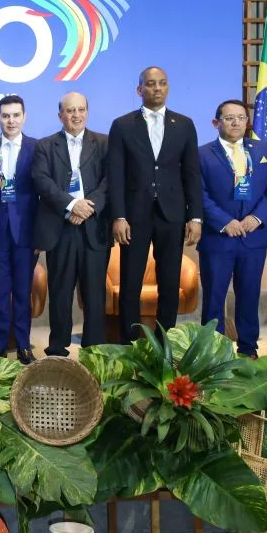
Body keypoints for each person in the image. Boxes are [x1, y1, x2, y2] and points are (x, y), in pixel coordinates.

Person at [108, 66, 203, 341]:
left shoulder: (184, 124)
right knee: (130, 284)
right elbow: (116, 175)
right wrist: (119, 216)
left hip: (172, 215)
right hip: (134, 217)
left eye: (162, 83)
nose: (157, 88)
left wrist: (195, 217)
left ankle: (165, 342)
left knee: (170, 283)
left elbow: (191, 174)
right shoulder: (122, 125)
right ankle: (129, 343)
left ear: (168, 87)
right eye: (150, 84)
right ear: (140, 90)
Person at [197, 100, 267, 358]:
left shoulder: (265, 149)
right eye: (229, 118)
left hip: (253, 236)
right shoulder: (202, 154)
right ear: (216, 123)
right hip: (218, 238)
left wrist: (257, 218)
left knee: (249, 295)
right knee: (214, 296)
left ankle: (248, 348)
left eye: (241, 117)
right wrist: (225, 222)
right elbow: (198, 193)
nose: (236, 122)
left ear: (247, 121)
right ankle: (212, 352)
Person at [32, 93, 110, 357]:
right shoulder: (45, 146)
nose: (76, 115)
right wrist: (70, 205)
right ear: (60, 115)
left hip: (94, 227)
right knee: (61, 291)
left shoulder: (104, 143)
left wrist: (88, 206)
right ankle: (57, 347)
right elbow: (42, 181)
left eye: (80, 110)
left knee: (94, 292)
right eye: (69, 111)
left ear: (87, 111)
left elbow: (110, 181)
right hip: (60, 228)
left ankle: (94, 346)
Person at [0, 95, 40, 363]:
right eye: (6, 115)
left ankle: (23, 345)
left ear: (24, 116)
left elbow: (43, 194)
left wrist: (41, 234)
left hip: (26, 233)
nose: (11, 120)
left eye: (15, 115)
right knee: (0, 292)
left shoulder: (37, 148)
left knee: (22, 292)